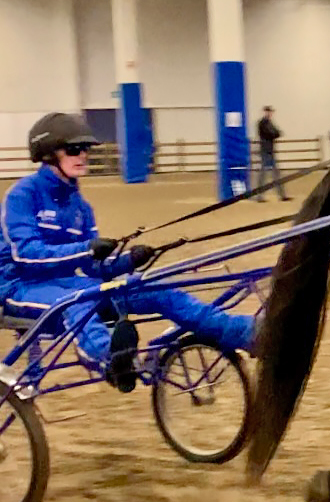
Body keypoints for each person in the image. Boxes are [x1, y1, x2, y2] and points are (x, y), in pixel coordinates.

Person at [0, 113, 257, 392]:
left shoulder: (80, 207)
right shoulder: (22, 195)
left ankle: (242, 331)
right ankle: (108, 358)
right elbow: (27, 254)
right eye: (74, 149)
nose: (83, 155)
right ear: (48, 155)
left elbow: (95, 269)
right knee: (78, 302)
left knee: (153, 289)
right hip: (20, 287)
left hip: (68, 283)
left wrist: (128, 260)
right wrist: (85, 250)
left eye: (85, 149)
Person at [256, 105, 291, 202]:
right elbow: (272, 133)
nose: (270, 113)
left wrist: (275, 133)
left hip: (270, 151)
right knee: (264, 175)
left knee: (275, 174)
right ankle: (260, 196)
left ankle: (282, 195)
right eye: (269, 112)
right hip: (265, 151)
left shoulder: (269, 123)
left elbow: (276, 133)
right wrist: (275, 134)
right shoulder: (262, 123)